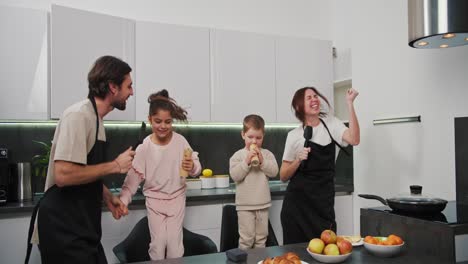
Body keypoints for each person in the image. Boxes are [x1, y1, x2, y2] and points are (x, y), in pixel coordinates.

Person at [25, 55, 136, 264]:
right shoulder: (78, 116)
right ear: (113, 87)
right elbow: (64, 175)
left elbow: (85, 169)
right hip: (62, 227)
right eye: (128, 86)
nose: (132, 92)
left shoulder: (97, 120)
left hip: (82, 226)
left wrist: (107, 197)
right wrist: (115, 165)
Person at [118, 89, 202, 260]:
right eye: (158, 121)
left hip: (177, 198)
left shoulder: (180, 141)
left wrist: (192, 166)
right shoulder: (144, 148)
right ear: (150, 120)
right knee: (158, 245)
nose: (163, 126)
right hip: (155, 201)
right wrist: (123, 201)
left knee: (175, 245)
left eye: (168, 122)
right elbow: (132, 180)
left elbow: (196, 167)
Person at [280, 86, 360, 244]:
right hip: (297, 207)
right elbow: (283, 175)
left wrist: (350, 104)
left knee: (327, 251)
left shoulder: (332, 124)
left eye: (315, 96)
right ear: (299, 106)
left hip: (323, 205)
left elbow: (354, 139)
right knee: (296, 255)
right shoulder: (294, 136)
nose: (314, 99)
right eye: (308, 98)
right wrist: (297, 160)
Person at [229, 114, 279, 250]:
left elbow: (274, 171)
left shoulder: (267, 154)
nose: (254, 142)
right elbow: (235, 176)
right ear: (243, 135)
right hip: (245, 206)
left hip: (262, 204)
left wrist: (262, 161)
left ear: (263, 136)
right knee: (246, 239)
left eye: (258, 138)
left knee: (261, 239)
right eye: (250, 137)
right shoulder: (238, 156)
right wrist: (246, 162)